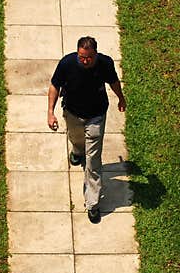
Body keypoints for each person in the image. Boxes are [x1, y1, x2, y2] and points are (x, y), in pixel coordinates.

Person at [47, 36, 126, 224]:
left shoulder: (105, 64)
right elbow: (54, 86)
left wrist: (121, 98)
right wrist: (50, 112)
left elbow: (113, 81)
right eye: (82, 57)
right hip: (72, 113)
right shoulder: (67, 63)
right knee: (75, 138)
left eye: (89, 58)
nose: (85, 61)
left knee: (93, 160)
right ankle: (76, 150)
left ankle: (92, 203)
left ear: (95, 54)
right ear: (77, 53)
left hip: (96, 116)